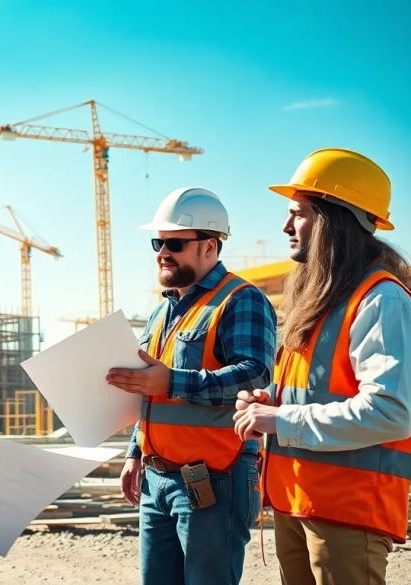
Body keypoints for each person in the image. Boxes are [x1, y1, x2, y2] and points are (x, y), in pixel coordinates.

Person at [233, 149, 411, 585]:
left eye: (298, 213)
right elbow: (318, 392)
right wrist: (271, 402)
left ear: (333, 219)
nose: (285, 226)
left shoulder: (381, 300)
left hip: (347, 511)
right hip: (297, 500)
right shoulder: (324, 300)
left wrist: (281, 418)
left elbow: (392, 412)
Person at [108, 188, 278, 585]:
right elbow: (152, 392)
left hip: (214, 477)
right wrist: (135, 452)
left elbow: (254, 373)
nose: (162, 252)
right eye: (158, 242)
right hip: (158, 479)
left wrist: (172, 380)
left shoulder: (241, 299)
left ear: (210, 246)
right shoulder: (161, 313)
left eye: (175, 243)